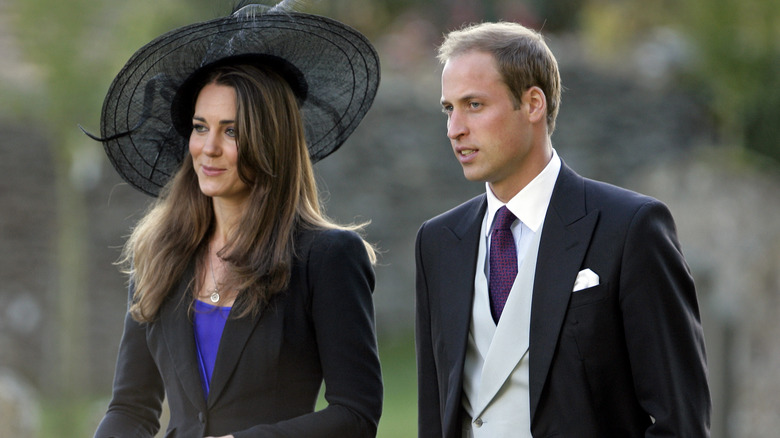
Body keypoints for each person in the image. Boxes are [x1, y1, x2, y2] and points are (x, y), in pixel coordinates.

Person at [88, 4, 382, 437]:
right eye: (200, 127)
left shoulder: (327, 256)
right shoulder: (160, 253)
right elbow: (130, 408)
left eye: (231, 130)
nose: (208, 148)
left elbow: (356, 414)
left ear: (270, 141)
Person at [414, 21, 711, 437]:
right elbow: (434, 415)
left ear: (533, 104)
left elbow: (679, 421)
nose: (454, 129)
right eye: (449, 108)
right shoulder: (438, 241)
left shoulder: (630, 228)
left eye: (474, 105)